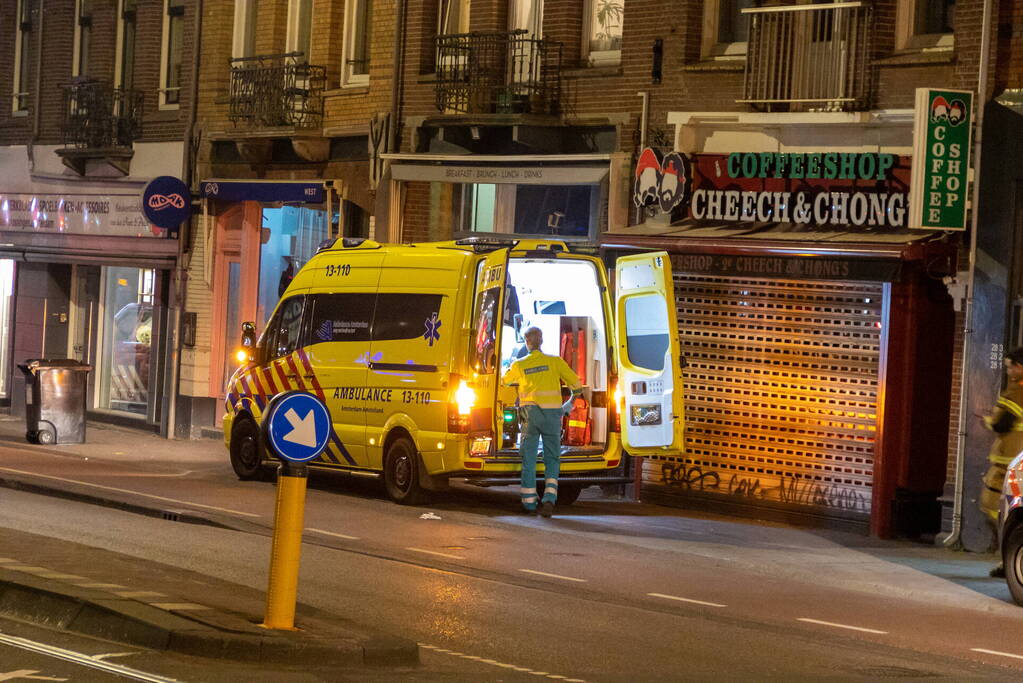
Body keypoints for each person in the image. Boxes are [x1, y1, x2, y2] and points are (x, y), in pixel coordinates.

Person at [502, 326, 583, 517]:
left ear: (526, 342)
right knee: (552, 459)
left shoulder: (519, 364)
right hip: (553, 416)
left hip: (531, 416)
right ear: (542, 340)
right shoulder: (555, 362)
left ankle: (529, 503)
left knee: (529, 459)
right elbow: (577, 387)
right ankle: (549, 500)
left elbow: (504, 381)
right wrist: (568, 406)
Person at [980, 346, 1023, 578]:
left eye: (1010, 366)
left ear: (1020, 367)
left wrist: (987, 420)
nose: (1008, 372)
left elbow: (1002, 424)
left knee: (992, 507)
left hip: (1008, 465)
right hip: (1019, 464)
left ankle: (1005, 560)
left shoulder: (1016, 393)